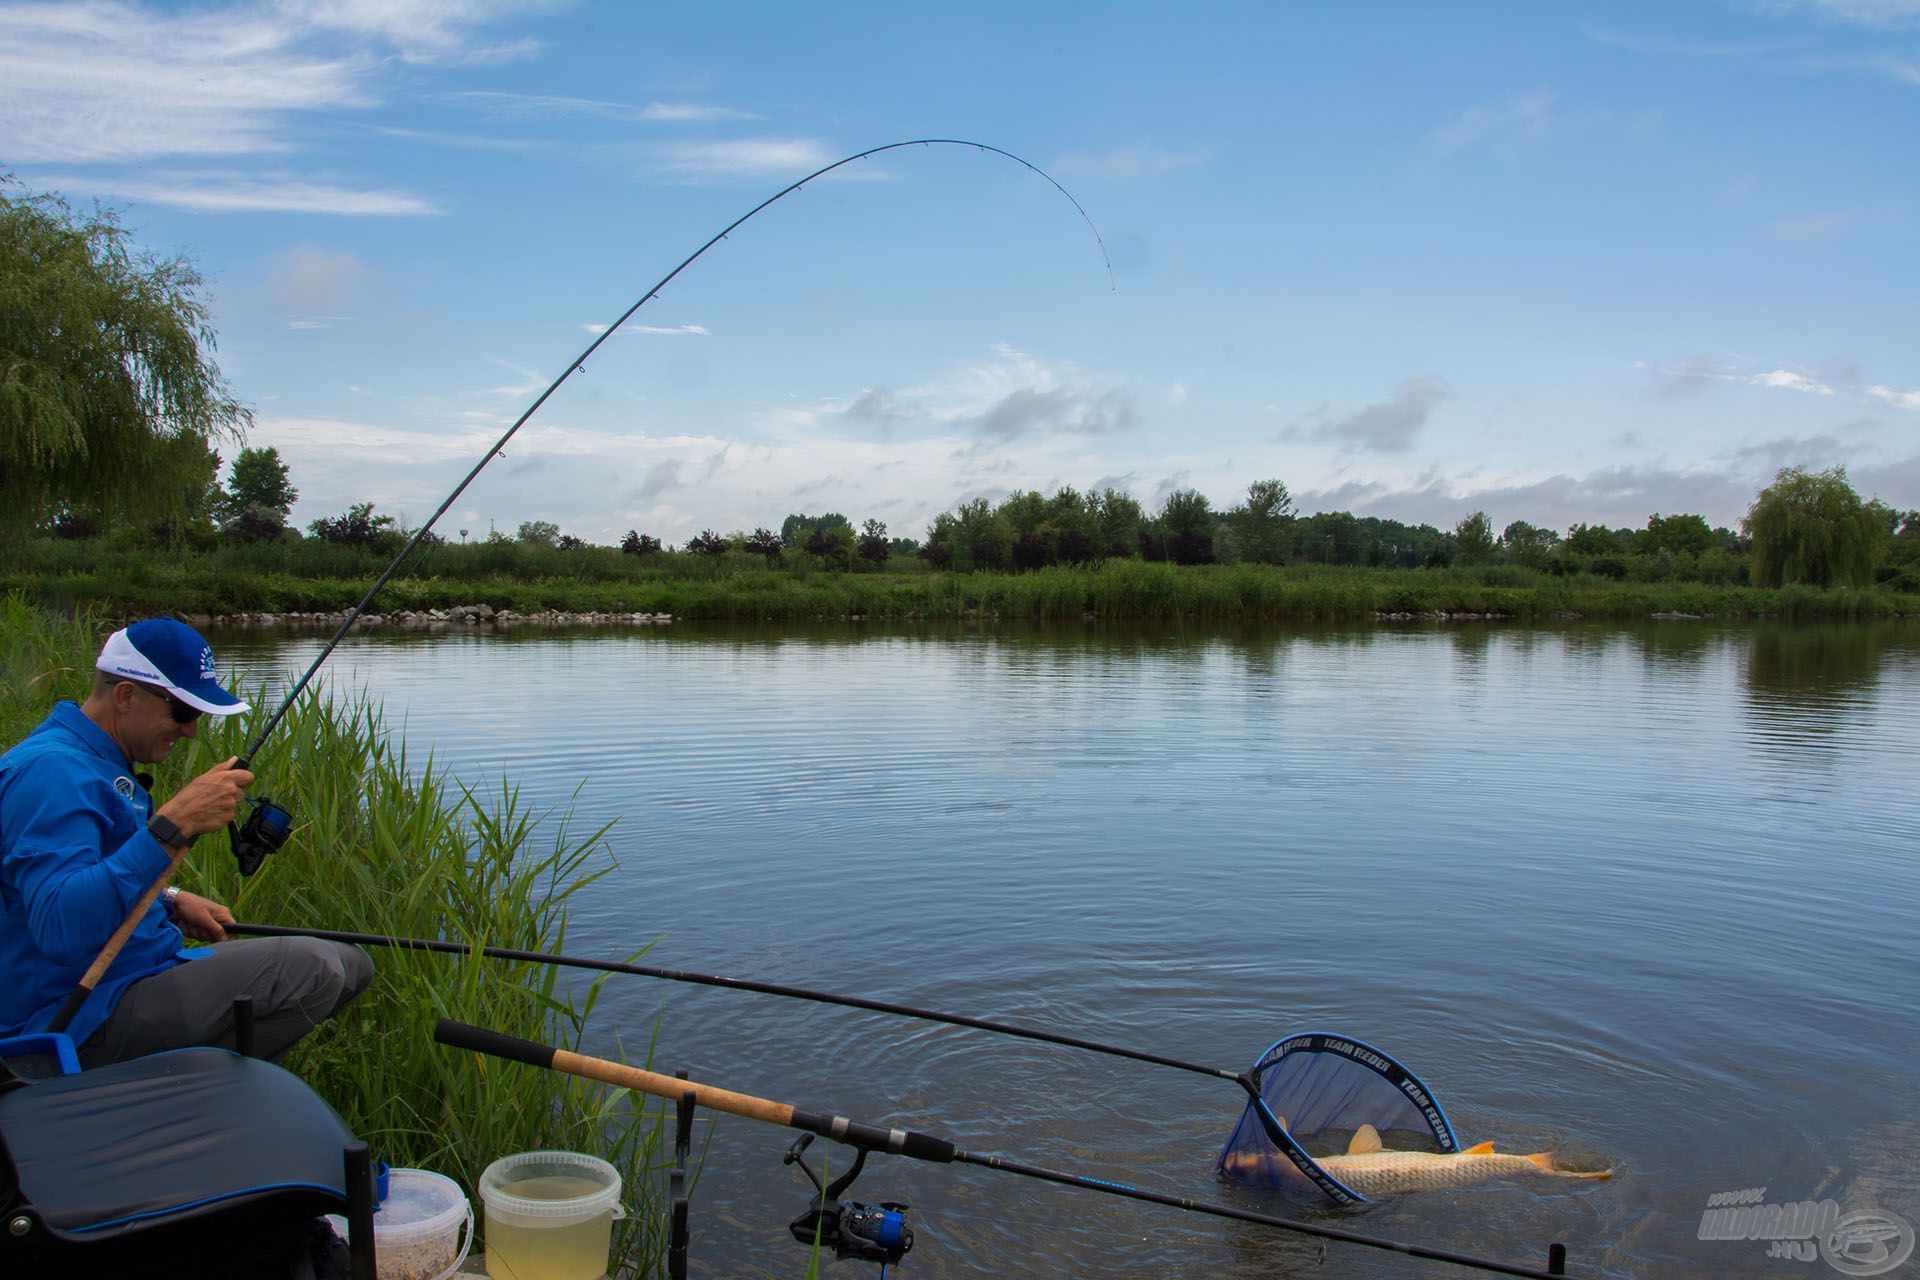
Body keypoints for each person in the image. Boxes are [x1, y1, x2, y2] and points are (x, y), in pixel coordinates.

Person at [0, 618, 373, 1066]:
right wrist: (172, 824)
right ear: (125, 696)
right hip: (72, 1016)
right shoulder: (54, 774)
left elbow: (81, 873)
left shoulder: (91, 761)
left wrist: (170, 898)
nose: (192, 730)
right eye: (183, 712)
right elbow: (60, 927)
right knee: (316, 968)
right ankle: (161, 1091)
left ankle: (189, 1084)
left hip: (133, 973)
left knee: (353, 965)